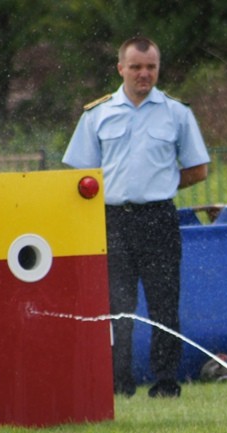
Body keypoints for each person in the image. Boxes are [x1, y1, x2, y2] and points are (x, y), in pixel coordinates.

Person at [63, 36, 210, 399]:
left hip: (158, 217)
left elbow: (199, 168)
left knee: (164, 303)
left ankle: (165, 383)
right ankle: (118, 383)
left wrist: (161, 182)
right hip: (112, 220)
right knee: (117, 306)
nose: (144, 74)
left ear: (158, 68)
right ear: (120, 69)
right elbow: (78, 175)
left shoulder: (177, 113)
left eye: (150, 67)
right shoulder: (97, 114)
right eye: (136, 67)